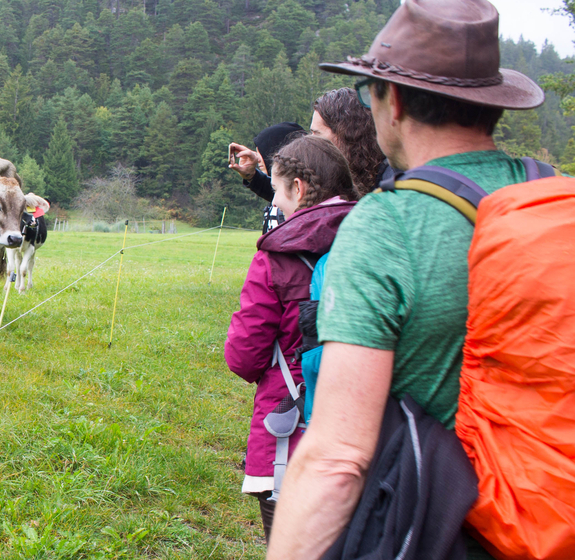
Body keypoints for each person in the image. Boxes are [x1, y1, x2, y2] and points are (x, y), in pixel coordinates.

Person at [265, 1, 545, 558]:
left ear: (389, 99)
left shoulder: (385, 226)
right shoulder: (551, 195)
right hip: (551, 510)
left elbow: (338, 459)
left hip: (435, 525)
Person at [224, 134, 358, 540]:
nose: (276, 205)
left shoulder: (275, 256)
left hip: (289, 428)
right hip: (365, 430)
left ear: (298, 189)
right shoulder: (371, 237)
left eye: (278, 192)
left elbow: (244, 355)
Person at [310, 88, 388, 196]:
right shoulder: (328, 180)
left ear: (345, 134)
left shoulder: (388, 185)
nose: (309, 142)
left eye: (317, 134)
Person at [228, 122, 304, 233]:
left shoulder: (301, 198)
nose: (257, 159)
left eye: (262, 153)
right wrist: (251, 176)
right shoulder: (291, 192)